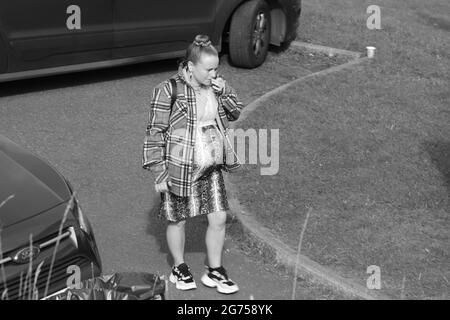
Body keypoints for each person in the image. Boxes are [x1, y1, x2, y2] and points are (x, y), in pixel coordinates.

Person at [142, 35, 244, 294]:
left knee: (219, 217)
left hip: (211, 163)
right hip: (180, 166)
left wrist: (225, 92)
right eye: (208, 69)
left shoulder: (216, 86)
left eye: (216, 68)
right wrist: (159, 170)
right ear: (190, 66)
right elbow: (155, 131)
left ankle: (214, 270)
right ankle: (179, 266)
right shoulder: (168, 89)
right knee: (178, 219)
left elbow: (236, 112)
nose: (214, 73)